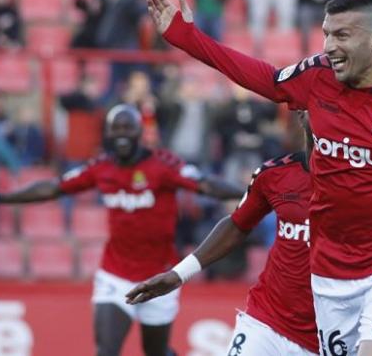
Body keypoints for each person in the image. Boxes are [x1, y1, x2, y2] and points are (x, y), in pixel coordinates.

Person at [141, 0, 372, 356]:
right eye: (326, 34)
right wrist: (185, 37)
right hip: (331, 270)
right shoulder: (317, 75)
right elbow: (265, 80)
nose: (330, 46)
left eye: (342, 35)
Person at [0, 104, 243, 356]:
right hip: (116, 274)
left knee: (156, 353)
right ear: (108, 134)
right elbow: (52, 188)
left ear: (140, 133)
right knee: (106, 351)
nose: (122, 134)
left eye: (128, 128)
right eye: (116, 128)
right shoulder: (101, 167)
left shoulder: (163, 165)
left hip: (161, 276)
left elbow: (206, 185)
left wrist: (248, 196)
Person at [126, 111, 317, 355]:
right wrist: (179, 275)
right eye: (317, 104)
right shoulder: (275, 174)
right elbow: (237, 224)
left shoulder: (366, 181)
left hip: (331, 331)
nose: (325, 112)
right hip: (268, 322)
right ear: (301, 116)